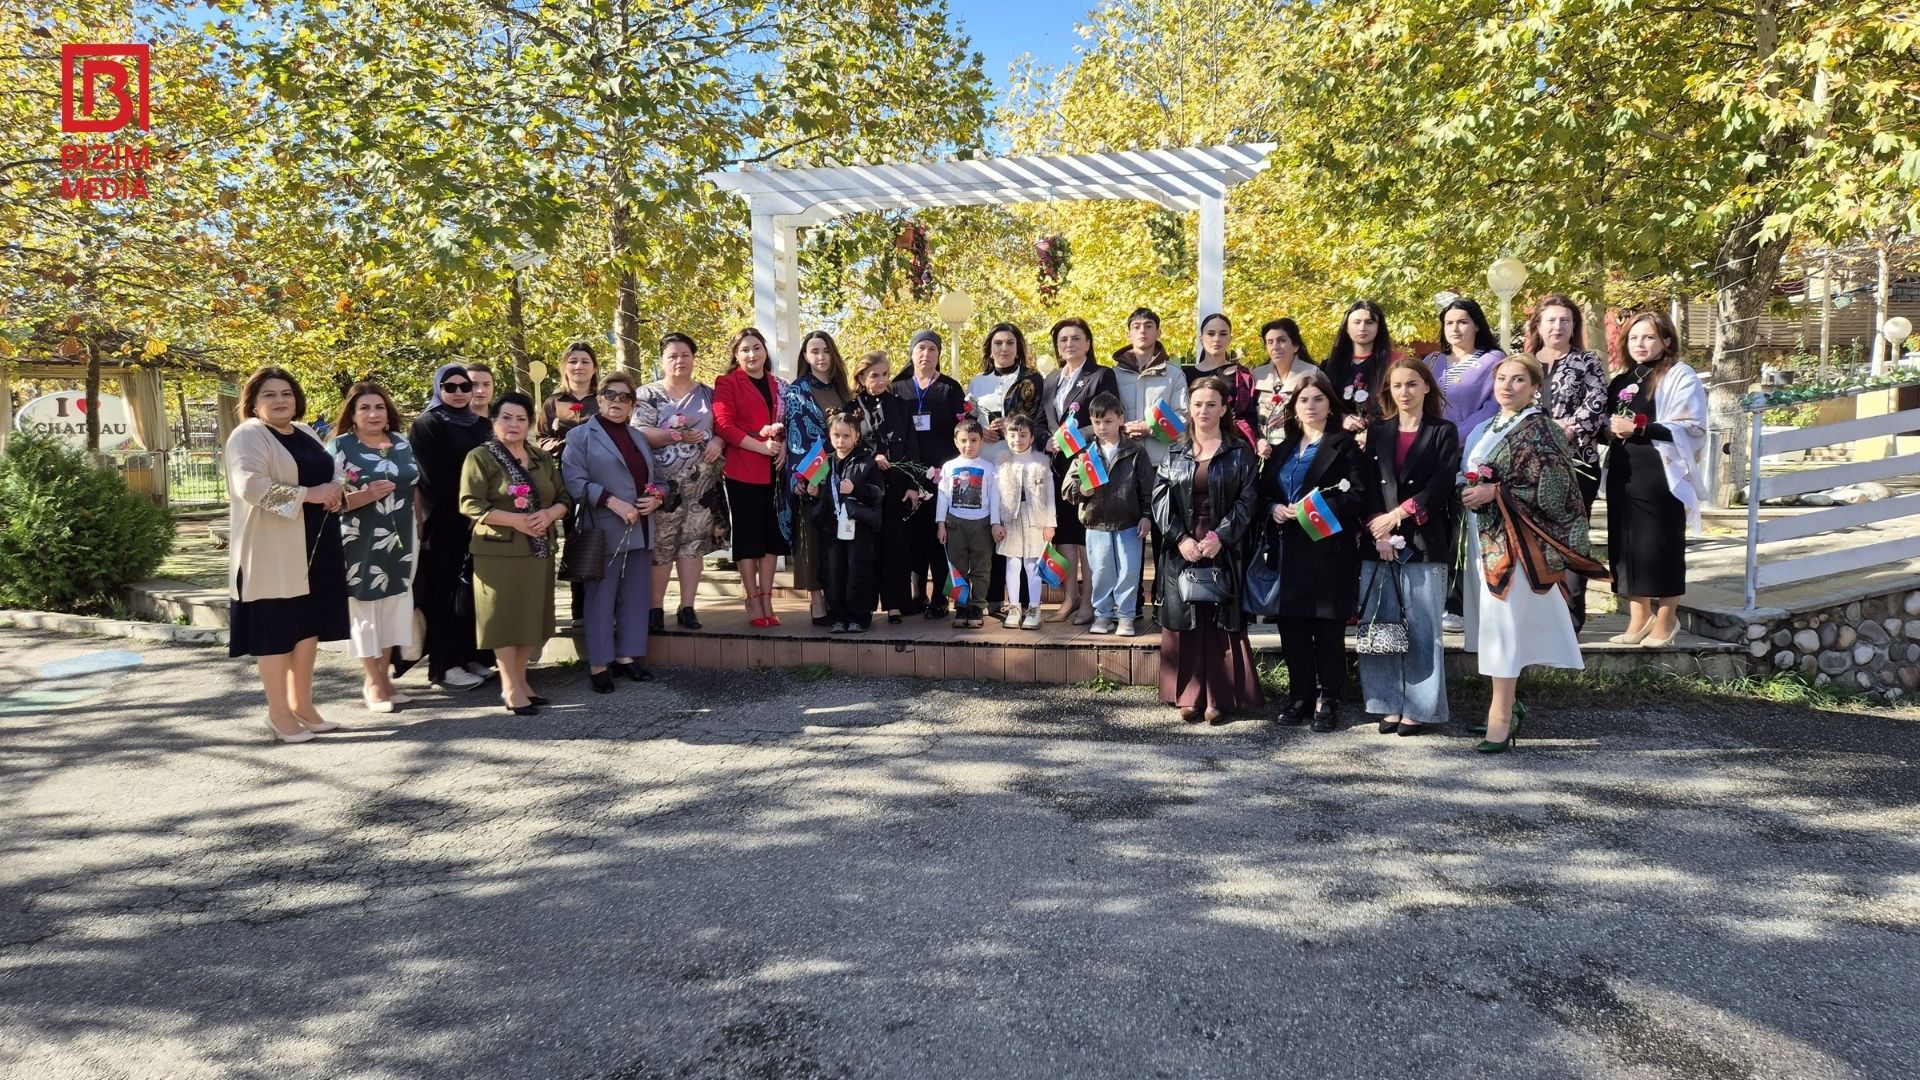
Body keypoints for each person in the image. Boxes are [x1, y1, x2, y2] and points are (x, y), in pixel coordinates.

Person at [1459, 355, 1608, 752]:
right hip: (1482, 537)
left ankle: (1501, 717)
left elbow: (1557, 491)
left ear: (1535, 387)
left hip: (1518, 543)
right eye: (1501, 378)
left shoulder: (1542, 428)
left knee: (1505, 624)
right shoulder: (1486, 427)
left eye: (1518, 380)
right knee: (1494, 627)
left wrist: (1496, 492)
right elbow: (1467, 472)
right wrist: (1468, 489)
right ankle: (1508, 705)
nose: (1507, 386)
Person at [226, 367, 350, 743]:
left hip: (315, 544)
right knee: (276, 631)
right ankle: (278, 714)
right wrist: (309, 495)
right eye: (269, 394)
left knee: (307, 628)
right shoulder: (248, 435)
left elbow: (335, 471)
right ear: (253, 403)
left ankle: (303, 706)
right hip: (272, 551)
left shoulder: (306, 432)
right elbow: (250, 485)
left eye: (286, 393)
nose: (280, 400)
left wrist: (334, 489)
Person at [1153, 376, 1264, 725]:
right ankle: (1188, 694)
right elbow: (1159, 500)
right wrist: (1180, 538)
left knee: (1220, 619)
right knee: (1185, 616)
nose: (1203, 410)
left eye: (1211, 404)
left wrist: (1222, 536)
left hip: (1223, 543)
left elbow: (1249, 500)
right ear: (1189, 408)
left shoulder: (1239, 452)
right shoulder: (1175, 451)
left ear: (1224, 408)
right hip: (1182, 545)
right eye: (1198, 404)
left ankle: (1220, 696)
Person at [1358, 359, 1460, 735]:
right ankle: (1386, 702)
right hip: (1379, 541)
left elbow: (1442, 483)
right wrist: (1380, 531)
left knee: (1422, 628)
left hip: (1423, 538)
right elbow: (1368, 484)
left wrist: (1398, 516)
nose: (1405, 392)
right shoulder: (1378, 430)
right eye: (1398, 385)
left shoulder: (1443, 431)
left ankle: (1420, 707)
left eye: (1412, 384)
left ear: (1427, 387)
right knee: (1380, 625)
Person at [1262, 370, 1367, 732]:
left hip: (1328, 549)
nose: (1311, 406)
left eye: (1318, 399)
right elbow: (1265, 492)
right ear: (1294, 406)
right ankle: (1300, 696)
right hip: (1288, 550)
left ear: (1330, 405)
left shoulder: (1344, 446)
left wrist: (1314, 509)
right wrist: (1274, 508)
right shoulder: (1283, 449)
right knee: (1292, 628)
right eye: (1304, 400)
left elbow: (1358, 495)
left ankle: (1329, 697)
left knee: (1327, 629)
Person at [459, 392, 571, 715]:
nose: (514, 424)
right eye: (506, 418)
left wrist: (549, 514)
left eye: (521, 419)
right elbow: (470, 503)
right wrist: (516, 521)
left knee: (530, 618)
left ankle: (521, 681)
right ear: (494, 421)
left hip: (538, 549)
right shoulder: (481, 457)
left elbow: (564, 496)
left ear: (530, 424)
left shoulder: (541, 458)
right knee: (503, 620)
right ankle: (509, 686)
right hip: (498, 553)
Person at [1605, 311, 1707, 647]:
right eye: (1634, 338)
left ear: (1666, 340)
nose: (1640, 344)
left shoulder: (1680, 375)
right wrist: (1609, 431)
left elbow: (1693, 425)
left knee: (1660, 544)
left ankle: (1667, 618)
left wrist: (1639, 429)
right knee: (1625, 544)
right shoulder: (1621, 381)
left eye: (1648, 337)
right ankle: (1639, 618)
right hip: (1624, 470)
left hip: (1661, 472)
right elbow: (1606, 424)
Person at [563, 372, 663, 694]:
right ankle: (599, 663)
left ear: (632, 405)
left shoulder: (638, 437)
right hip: (604, 527)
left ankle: (626, 656)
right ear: (599, 399)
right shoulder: (580, 436)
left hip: (642, 526)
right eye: (611, 394)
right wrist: (610, 500)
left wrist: (657, 496)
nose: (617, 401)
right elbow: (574, 481)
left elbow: (657, 479)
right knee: (601, 598)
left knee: (635, 595)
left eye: (625, 397)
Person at [327, 382, 420, 713]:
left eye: (379, 407)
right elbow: (329, 500)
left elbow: (414, 486)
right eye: (364, 408)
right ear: (352, 414)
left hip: (402, 537)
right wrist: (366, 495)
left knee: (395, 604)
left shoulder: (400, 442)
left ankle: (383, 680)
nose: (373, 414)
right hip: (359, 538)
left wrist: (420, 524)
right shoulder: (340, 447)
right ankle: (374, 682)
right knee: (365, 606)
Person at [1527, 294, 1609, 630]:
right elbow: (1511, 405)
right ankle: (1539, 614)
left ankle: (1571, 617)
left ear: (1574, 326)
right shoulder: (1525, 364)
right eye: (1550, 320)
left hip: (1578, 462)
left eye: (1565, 320)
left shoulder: (1588, 362)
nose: (1557, 326)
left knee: (1573, 537)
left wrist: (1567, 428)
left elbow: (1596, 405)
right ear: (1538, 325)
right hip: (1531, 467)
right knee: (1536, 538)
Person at [410, 363, 494, 690]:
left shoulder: (482, 424)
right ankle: (444, 666)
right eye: (450, 387)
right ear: (438, 388)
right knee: (445, 593)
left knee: (472, 593)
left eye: (464, 386)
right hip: (446, 523)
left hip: (482, 521)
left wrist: (483, 510)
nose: (459, 393)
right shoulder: (427, 425)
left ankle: (471, 655)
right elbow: (434, 478)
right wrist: (470, 510)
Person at [635, 333, 725, 632]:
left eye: (685, 355)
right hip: (661, 485)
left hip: (702, 483)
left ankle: (687, 606)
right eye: (672, 356)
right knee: (662, 545)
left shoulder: (709, 394)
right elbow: (639, 431)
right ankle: (654, 608)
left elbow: (725, 426)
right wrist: (675, 436)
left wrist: (718, 441)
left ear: (693, 358)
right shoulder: (647, 394)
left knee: (693, 544)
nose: (679, 361)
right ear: (662, 359)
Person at [1040, 317, 1119, 624]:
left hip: (1088, 463)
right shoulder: (1051, 379)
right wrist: (1047, 440)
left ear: (1087, 343)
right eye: (1063, 339)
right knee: (1064, 533)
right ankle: (1070, 597)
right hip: (1056, 466)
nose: (1069, 344)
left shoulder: (1101, 376)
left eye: (1075, 338)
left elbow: (1106, 418)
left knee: (1087, 533)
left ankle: (1089, 600)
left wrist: (1068, 440)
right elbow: (1042, 421)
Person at [1113, 307, 1186, 627]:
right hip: (1123, 465)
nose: (1142, 331)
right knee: (1126, 537)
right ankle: (1127, 605)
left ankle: (1162, 600)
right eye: (1136, 326)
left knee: (1162, 535)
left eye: (1148, 326)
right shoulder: (1114, 374)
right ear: (1129, 332)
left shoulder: (1174, 374)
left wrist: (1150, 428)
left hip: (1161, 464)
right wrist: (1121, 429)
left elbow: (1184, 419)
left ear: (1158, 332)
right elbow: (1102, 415)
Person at [712, 327, 789, 628]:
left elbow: (787, 422)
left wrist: (783, 447)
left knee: (771, 537)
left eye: (757, 347)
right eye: (744, 349)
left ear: (765, 350)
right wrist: (761, 447)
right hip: (743, 469)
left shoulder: (778, 385)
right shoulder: (727, 383)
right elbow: (723, 425)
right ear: (736, 354)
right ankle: (752, 598)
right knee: (749, 538)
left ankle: (768, 598)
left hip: (775, 472)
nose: (752, 354)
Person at [968, 323, 1044, 615]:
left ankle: (1022, 600)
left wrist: (1010, 425)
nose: (1004, 348)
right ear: (990, 349)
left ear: (1018, 347)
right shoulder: (978, 382)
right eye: (998, 343)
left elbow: (1037, 418)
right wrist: (981, 431)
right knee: (992, 528)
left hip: (1019, 463)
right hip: (987, 462)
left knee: (1019, 529)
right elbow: (968, 420)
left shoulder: (1031, 379)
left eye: (1010, 343)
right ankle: (992, 598)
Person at [892, 330, 969, 619]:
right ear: (912, 352)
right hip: (908, 471)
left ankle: (940, 596)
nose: (926, 354)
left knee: (939, 534)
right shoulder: (898, 387)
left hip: (942, 473)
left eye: (932, 349)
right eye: (921, 348)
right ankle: (917, 594)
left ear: (939, 354)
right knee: (913, 535)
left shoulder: (949, 388)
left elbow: (961, 430)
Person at [1063, 392, 1153, 637]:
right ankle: (1102, 614)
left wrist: (1146, 516)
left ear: (1121, 419)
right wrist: (1082, 490)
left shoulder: (1135, 452)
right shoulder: (1085, 454)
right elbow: (1068, 488)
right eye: (1097, 422)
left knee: (1129, 571)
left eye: (1108, 421)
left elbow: (1148, 488)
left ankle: (1125, 616)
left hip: (1129, 523)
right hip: (1096, 523)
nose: (1102, 427)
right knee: (1101, 571)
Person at [783, 331, 852, 627]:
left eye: (825, 350)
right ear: (805, 356)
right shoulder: (798, 390)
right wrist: (811, 475)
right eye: (814, 351)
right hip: (812, 473)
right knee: (811, 539)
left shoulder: (842, 390)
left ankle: (840, 599)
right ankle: (817, 600)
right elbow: (797, 438)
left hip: (843, 472)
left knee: (838, 540)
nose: (821, 357)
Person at [801, 410, 885, 633]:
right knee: (833, 572)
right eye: (836, 435)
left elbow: (877, 493)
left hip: (858, 525)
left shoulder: (866, 461)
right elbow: (816, 494)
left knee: (858, 571)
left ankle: (859, 617)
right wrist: (812, 492)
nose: (841, 441)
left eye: (846, 436)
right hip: (831, 525)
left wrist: (855, 489)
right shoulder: (823, 462)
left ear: (856, 436)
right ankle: (837, 616)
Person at [853, 351, 919, 623]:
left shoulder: (901, 406)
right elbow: (847, 447)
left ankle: (895, 603)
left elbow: (912, 448)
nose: (880, 380)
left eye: (884, 375)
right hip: (865, 488)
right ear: (861, 378)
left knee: (896, 546)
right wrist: (872, 457)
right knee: (867, 548)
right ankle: (865, 605)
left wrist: (914, 486)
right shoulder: (852, 409)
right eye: (874, 376)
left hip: (897, 485)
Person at [936, 418, 1003, 630]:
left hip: (981, 523)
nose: (968, 445)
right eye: (964, 440)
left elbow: (994, 498)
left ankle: (977, 606)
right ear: (956, 442)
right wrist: (941, 524)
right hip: (956, 523)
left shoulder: (989, 468)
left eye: (974, 440)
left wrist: (994, 523)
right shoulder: (949, 467)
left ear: (981, 441)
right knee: (958, 567)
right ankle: (961, 606)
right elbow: (943, 496)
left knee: (981, 567)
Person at [994, 415, 1056, 630]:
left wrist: (1050, 523)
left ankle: (1034, 608)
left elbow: (1050, 496)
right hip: (1010, 518)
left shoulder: (1041, 462)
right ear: (1006, 436)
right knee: (1012, 563)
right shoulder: (1002, 463)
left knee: (1032, 564)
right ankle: (1014, 607)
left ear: (1031, 438)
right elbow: (995, 495)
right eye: (1012, 435)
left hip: (1036, 518)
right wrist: (995, 522)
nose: (1017, 440)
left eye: (1023, 435)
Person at [1423, 298, 1506, 438]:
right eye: (1449, 323)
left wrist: (1452, 437)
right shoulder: (1431, 360)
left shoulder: (1493, 359)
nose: (1454, 329)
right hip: (1428, 441)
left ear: (1477, 326)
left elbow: (1493, 407)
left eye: (1462, 322)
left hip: (1472, 443)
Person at [1321, 300, 1393, 436]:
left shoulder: (1393, 365)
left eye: (1369, 322)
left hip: (1381, 435)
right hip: (1338, 437)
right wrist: (1341, 417)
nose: (1362, 328)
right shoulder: (1328, 366)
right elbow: (1321, 401)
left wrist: (1370, 424)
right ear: (1347, 328)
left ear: (1379, 327)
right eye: (1356, 322)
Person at [1252, 317, 1317, 453]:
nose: (1275, 347)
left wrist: (1294, 415)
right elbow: (1247, 415)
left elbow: (1326, 410)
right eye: (1270, 342)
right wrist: (1257, 440)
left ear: (1295, 345)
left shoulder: (1312, 374)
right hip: (1263, 450)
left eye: (1281, 340)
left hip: (1302, 448)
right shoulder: (1257, 376)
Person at [1192, 313, 1259, 446]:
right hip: (1193, 442)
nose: (1217, 339)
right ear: (1201, 338)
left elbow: (1249, 415)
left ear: (1230, 339)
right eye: (1211, 334)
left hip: (1231, 443)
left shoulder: (1242, 375)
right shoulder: (1184, 374)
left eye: (1223, 334)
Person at [536, 342, 600, 457]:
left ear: (594, 368)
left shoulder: (605, 400)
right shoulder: (553, 403)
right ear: (564, 368)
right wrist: (567, 446)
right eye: (573, 362)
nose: (579, 366)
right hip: (565, 465)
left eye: (585, 362)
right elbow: (542, 439)